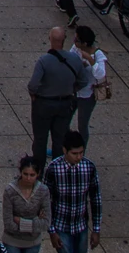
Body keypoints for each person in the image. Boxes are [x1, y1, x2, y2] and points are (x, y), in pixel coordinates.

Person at [41, 132, 102, 253]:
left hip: (80, 225)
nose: (79, 157)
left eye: (81, 152)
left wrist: (96, 229)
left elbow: (96, 199)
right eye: (75, 153)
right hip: (61, 225)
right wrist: (51, 231)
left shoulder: (89, 168)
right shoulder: (53, 169)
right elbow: (45, 202)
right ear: (64, 150)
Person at [26, 28, 85, 166]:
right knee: (59, 140)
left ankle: (38, 172)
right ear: (64, 40)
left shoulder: (44, 61)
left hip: (43, 104)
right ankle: (57, 171)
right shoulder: (74, 59)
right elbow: (83, 81)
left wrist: (34, 95)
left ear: (50, 39)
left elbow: (33, 84)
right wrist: (71, 89)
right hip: (65, 104)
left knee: (40, 139)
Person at [0, 155, 51, 253]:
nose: (28, 178)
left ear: (38, 174)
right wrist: (35, 222)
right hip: (12, 241)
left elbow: (46, 223)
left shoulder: (43, 191)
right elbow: (8, 223)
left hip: (33, 243)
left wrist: (21, 222)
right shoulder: (10, 191)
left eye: (32, 175)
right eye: (25, 174)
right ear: (20, 172)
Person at [69, 25, 108, 141]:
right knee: (63, 121)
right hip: (74, 90)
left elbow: (100, 74)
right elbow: (69, 60)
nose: (74, 41)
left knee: (82, 125)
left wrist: (90, 61)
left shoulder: (98, 55)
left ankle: (81, 153)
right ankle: (63, 148)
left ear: (84, 43)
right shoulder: (76, 48)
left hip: (87, 96)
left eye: (77, 40)